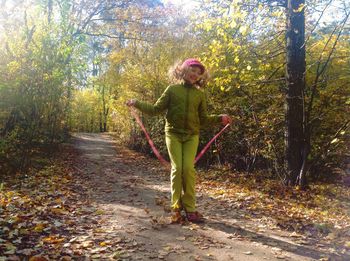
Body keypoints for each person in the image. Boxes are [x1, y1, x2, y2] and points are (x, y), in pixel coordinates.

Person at [126, 58, 232, 223]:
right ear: (183, 70)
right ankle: (176, 206)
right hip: (173, 134)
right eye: (192, 70)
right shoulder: (172, 90)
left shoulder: (199, 95)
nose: (195, 75)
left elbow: (203, 119)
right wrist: (137, 103)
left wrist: (220, 118)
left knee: (188, 169)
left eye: (198, 73)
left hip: (191, 136)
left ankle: (190, 208)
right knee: (178, 168)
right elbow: (155, 110)